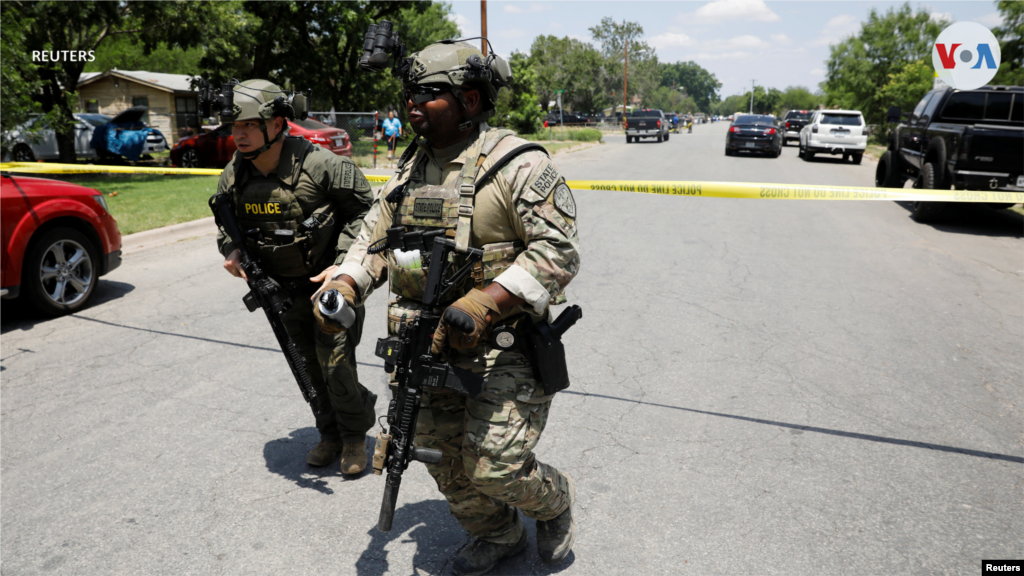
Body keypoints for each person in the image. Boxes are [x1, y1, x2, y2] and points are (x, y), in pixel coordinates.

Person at [318, 40, 581, 575]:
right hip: (425, 345)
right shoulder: (410, 168)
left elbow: (557, 251)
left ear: (470, 98)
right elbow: (375, 241)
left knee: (494, 468)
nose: (412, 104)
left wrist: (487, 302)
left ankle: (554, 502)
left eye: (429, 93)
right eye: (409, 93)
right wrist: (345, 286)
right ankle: (499, 533)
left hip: (505, 348)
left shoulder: (518, 163)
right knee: (438, 455)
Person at [213, 79, 378, 474]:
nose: (239, 134)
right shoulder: (234, 175)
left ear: (277, 122)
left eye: (250, 125)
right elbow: (224, 223)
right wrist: (231, 251)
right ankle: (330, 434)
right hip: (280, 291)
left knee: (336, 364)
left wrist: (343, 263)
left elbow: (365, 213)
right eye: (235, 126)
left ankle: (354, 438)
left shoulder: (322, 164)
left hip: (331, 287)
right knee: (305, 364)